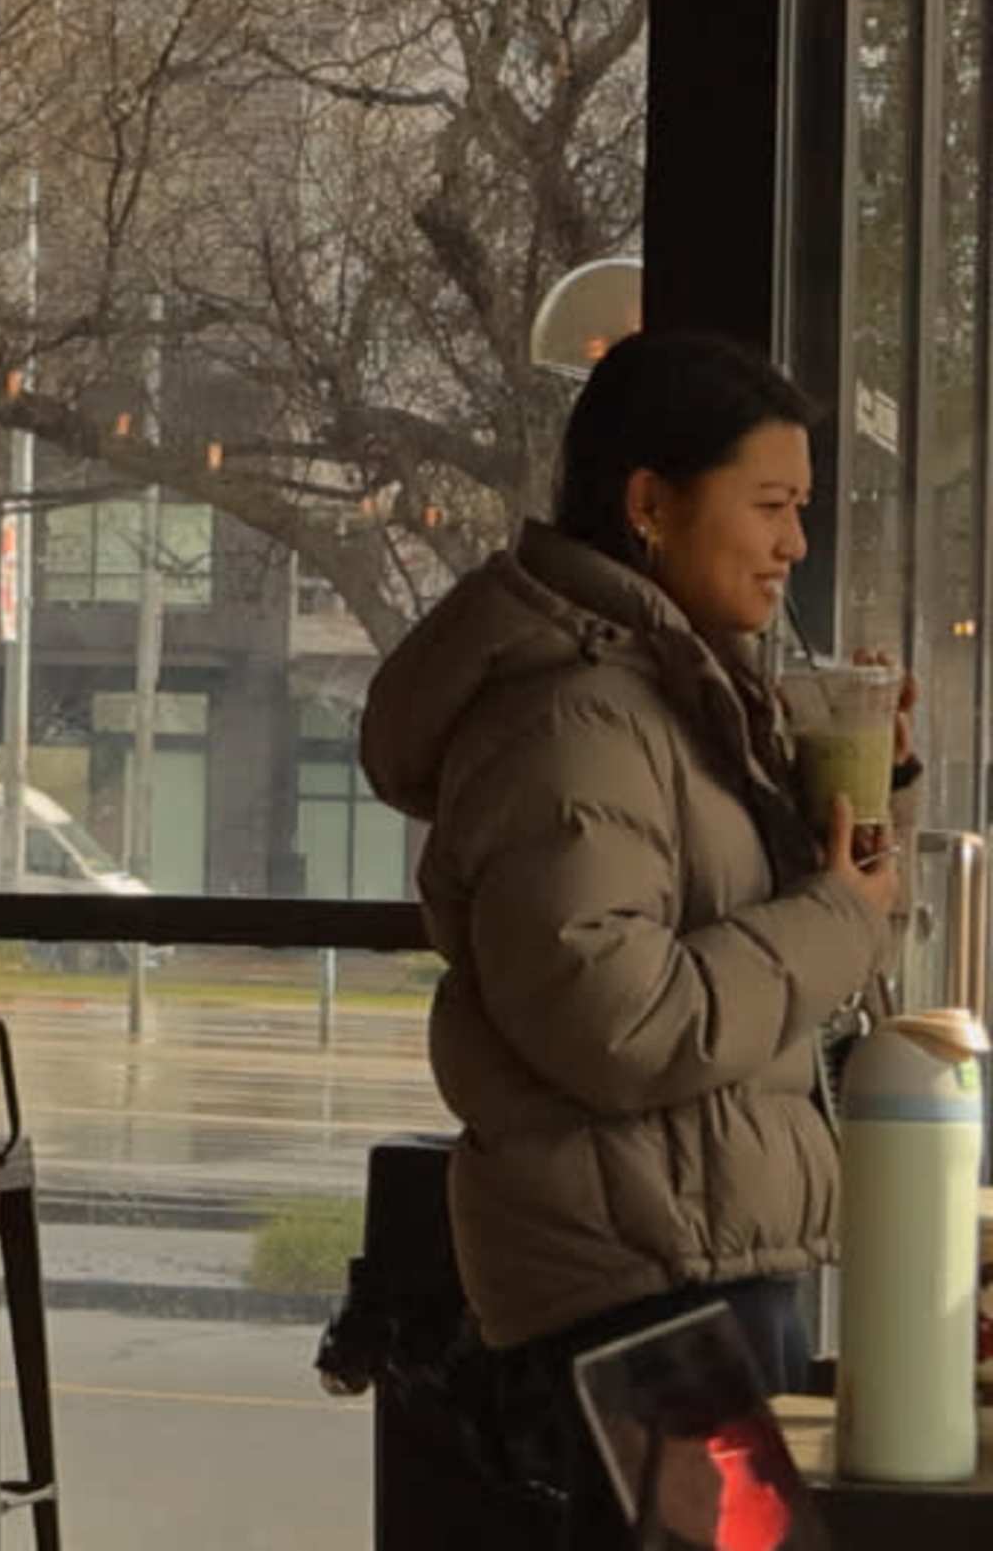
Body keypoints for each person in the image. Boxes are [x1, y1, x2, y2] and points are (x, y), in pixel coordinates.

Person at [358, 330, 905, 1548]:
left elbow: (728, 922)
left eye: (801, 509)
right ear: (651, 503)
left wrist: (856, 812)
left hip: (690, 1252)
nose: (795, 546)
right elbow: (616, 1018)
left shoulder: (664, 698)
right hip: (645, 1295)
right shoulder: (574, 722)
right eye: (770, 505)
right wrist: (833, 919)